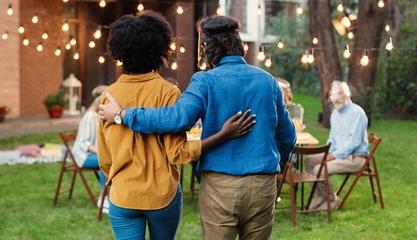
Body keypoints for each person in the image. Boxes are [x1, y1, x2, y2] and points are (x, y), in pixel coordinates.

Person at [99, 15, 296, 240]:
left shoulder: (205, 81)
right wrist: (274, 165)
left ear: (207, 49)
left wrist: (123, 114)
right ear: (238, 43)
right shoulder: (268, 81)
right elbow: (288, 137)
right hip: (263, 183)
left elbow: (177, 118)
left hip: (219, 185)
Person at [304, 80, 368, 210]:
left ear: (347, 94)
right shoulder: (335, 113)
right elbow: (332, 138)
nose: (336, 98)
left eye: (339, 94)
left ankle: (332, 199)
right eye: (333, 95)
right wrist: (328, 152)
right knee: (309, 161)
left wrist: (333, 156)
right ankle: (322, 196)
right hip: (337, 154)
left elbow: (354, 142)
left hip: (355, 158)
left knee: (319, 170)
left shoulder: (357, 112)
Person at [71, 86, 107, 211]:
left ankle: (110, 196)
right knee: (105, 160)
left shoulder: (101, 117)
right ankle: (103, 199)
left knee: (111, 159)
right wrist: (100, 151)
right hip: (82, 156)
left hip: (94, 155)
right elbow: (83, 142)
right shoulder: (89, 116)